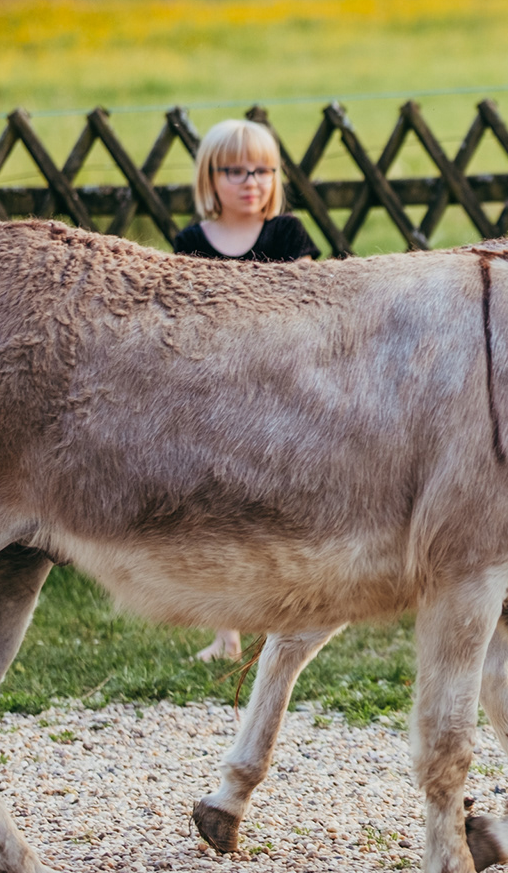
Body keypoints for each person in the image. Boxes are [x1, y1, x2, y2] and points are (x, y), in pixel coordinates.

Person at [172, 118, 319, 660]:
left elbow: (311, 305)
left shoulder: (288, 236)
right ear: (210, 177)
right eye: (234, 170)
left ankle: (289, 616)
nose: (250, 181)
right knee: (215, 509)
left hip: (281, 389)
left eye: (261, 170)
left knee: (282, 506)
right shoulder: (190, 243)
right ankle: (225, 633)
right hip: (213, 394)